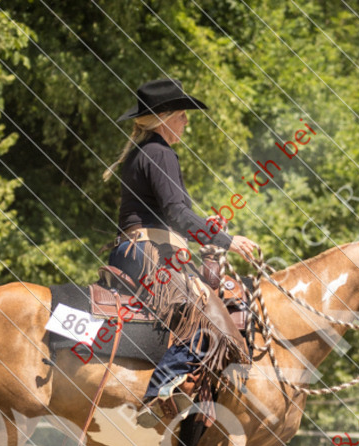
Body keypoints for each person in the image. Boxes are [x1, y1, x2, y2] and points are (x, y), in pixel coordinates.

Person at [103, 78, 258, 421]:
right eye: (183, 115)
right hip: (148, 256)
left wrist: (206, 228)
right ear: (164, 117)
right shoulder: (160, 153)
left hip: (133, 254)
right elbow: (176, 212)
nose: (187, 121)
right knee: (210, 317)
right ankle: (159, 391)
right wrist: (227, 242)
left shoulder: (142, 153)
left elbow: (171, 215)